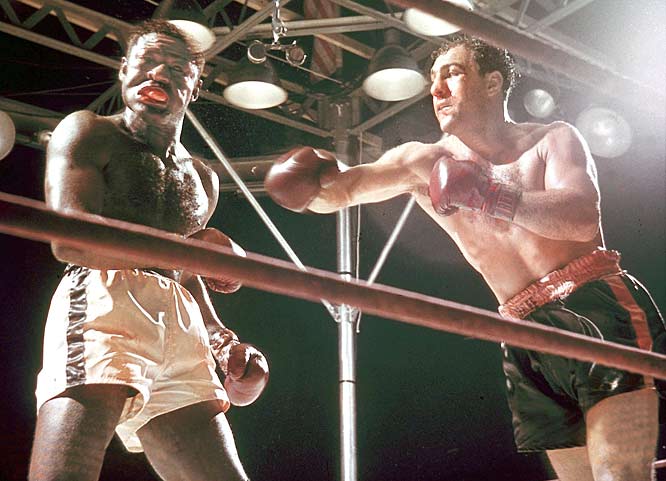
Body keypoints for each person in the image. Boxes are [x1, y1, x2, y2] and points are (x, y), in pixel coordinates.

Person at [264, 34, 664, 481]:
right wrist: (304, 186)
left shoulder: (554, 139)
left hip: (592, 305)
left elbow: (580, 220)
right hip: (522, 329)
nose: (436, 90)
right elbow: (340, 191)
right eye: (433, 79)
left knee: (622, 476)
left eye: (452, 73)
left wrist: (489, 195)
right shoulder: (422, 161)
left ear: (493, 84)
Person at [30, 20, 269, 481]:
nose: (158, 74)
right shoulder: (88, 131)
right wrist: (189, 249)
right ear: (123, 72)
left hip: (180, 322)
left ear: (195, 89)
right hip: (103, 302)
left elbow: (185, 273)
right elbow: (70, 239)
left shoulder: (203, 178)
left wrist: (223, 341)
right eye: (146, 62)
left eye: (176, 68)